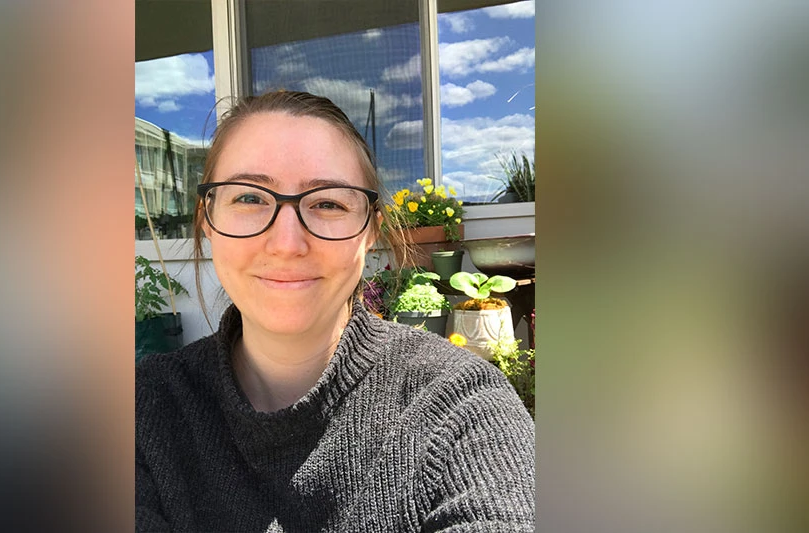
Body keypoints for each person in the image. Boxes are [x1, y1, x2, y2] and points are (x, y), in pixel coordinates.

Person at [136, 90, 535, 532]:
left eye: (328, 203)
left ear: (370, 232)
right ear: (206, 219)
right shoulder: (140, 412)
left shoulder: (460, 407)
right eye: (249, 198)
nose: (287, 244)